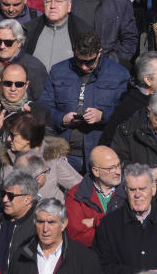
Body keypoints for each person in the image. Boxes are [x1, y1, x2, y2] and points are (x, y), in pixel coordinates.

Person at [41, 31, 130, 172]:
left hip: (99, 153)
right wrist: (62, 118)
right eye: (79, 60)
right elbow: (44, 106)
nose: (83, 66)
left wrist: (102, 115)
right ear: (74, 52)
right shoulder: (59, 70)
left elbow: (126, 112)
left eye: (89, 62)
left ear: (99, 52)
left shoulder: (119, 74)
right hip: (63, 152)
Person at [64, 145, 126, 247]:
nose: (118, 172)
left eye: (119, 165)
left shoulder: (130, 189)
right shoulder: (76, 195)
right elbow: (75, 235)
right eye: (110, 168)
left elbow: (134, 225)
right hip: (90, 256)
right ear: (96, 171)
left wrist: (94, 222)